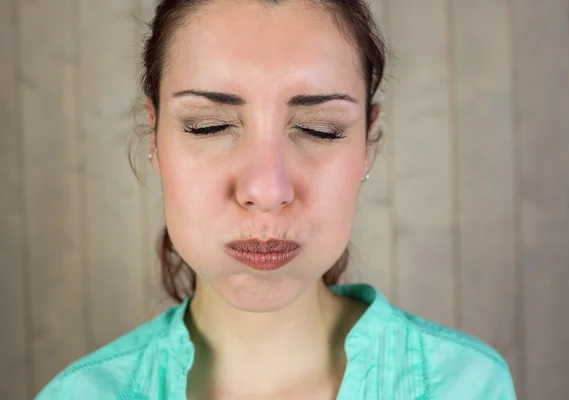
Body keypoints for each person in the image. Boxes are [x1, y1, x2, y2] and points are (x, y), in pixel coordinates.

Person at [37, 0, 517, 398]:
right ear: (155, 136)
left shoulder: (465, 385)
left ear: (367, 143)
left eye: (319, 130)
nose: (267, 192)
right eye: (209, 125)